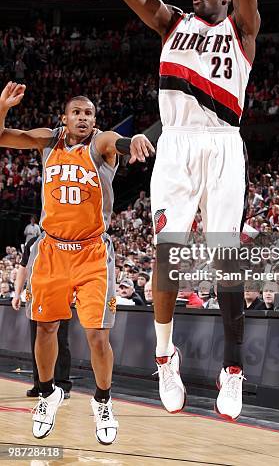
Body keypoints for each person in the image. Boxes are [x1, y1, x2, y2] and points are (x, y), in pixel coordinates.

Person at [121, 0, 260, 420]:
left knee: (226, 260)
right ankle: (164, 353)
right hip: (177, 146)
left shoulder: (243, 32)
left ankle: (232, 370)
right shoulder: (172, 24)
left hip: (224, 145)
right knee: (168, 252)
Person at [0, 81, 154, 443]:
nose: (83, 118)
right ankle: (48, 391)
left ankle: (102, 401)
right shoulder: (48, 141)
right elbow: (4, 136)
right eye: (77, 113)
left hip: (92, 253)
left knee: (98, 336)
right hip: (51, 250)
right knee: (46, 329)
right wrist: (3, 106)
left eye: (89, 113)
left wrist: (130, 142)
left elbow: (114, 141)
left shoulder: (100, 144)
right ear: (64, 119)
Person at [12, 235, 72, 399]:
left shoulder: (66, 240)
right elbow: (23, 267)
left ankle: (61, 384)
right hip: (37, 294)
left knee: (60, 340)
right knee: (37, 341)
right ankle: (40, 384)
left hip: (60, 292)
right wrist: (17, 294)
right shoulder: (33, 242)